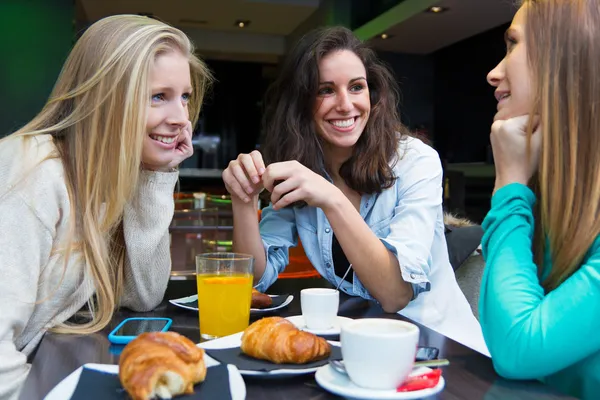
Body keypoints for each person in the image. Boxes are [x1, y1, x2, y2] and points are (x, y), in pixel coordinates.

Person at [222, 26, 488, 355]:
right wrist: (243, 202)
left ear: (372, 95)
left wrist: (331, 198)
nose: (346, 105)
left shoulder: (416, 162)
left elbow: (395, 295)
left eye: (356, 87)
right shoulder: (305, 167)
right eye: (326, 90)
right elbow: (255, 280)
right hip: (363, 347)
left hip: (442, 351)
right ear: (302, 103)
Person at [0, 15, 212, 399]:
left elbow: (144, 295)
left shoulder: (107, 178)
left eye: (184, 97)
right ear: (107, 97)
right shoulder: (35, 172)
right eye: (158, 96)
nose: (182, 118)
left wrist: (157, 175)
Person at [481, 0, 600, 397]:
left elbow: (517, 347)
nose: (493, 73)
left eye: (513, 45)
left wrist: (510, 185)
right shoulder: (557, 202)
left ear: (567, 60)